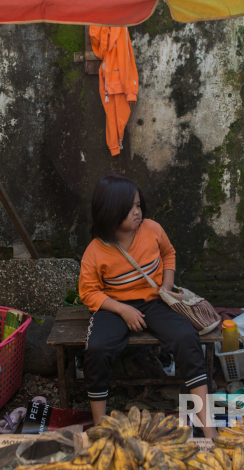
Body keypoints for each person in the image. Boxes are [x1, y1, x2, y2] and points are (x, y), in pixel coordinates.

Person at [79, 174, 215, 437]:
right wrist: (122, 309)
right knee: (96, 349)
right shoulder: (95, 251)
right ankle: (100, 428)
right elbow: (88, 293)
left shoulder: (152, 229)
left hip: (154, 301)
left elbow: (169, 252)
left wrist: (166, 285)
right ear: (110, 212)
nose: (137, 212)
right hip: (114, 306)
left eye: (139, 205)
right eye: (130, 208)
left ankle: (208, 429)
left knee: (186, 338)